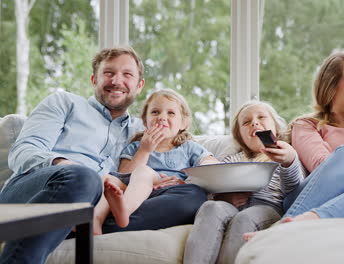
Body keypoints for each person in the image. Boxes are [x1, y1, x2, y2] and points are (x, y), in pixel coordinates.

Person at [0, 46, 205, 264]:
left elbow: (179, 149)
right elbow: (23, 151)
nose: (117, 81)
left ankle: (81, 224)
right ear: (93, 79)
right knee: (84, 178)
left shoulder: (143, 130)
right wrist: (67, 166)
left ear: (139, 85)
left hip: (99, 205)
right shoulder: (65, 103)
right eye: (109, 73)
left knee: (192, 196)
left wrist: (174, 180)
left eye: (127, 75)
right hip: (40, 191)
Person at [260, 51, 344, 226]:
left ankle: (297, 223)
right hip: (310, 196)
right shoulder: (306, 125)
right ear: (331, 87)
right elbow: (322, 167)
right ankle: (287, 223)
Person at [183, 101, 306, 264]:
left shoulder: (286, 154)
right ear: (240, 136)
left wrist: (289, 161)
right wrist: (220, 198)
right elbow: (211, 183)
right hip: (230, 206)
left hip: (268, 208)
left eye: (261, 117)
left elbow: (295, 189)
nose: (254, 122)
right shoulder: (231, 159)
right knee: (210, 207)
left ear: (276, 127)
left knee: (245, 218)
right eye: (246, 122)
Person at [93, 88, 218, 235]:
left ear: (183, 123)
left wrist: (189, 180)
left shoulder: (189, 147)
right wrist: (144, 150)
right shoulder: (136, 146)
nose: (162, 117)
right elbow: (124, 175)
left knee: (195, 194)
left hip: (167, 194)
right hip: (135, 193)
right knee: (108, 179)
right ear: (145, 121)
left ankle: (122, 212)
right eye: (155, 112)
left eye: (171, 113)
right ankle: (95, 220)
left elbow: (211, 165)